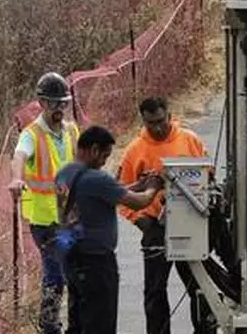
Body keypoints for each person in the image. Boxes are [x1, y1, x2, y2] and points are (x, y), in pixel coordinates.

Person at [117, 96, 216, 334]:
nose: (158, 128)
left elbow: (209, 177)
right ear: (144, 121)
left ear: (169, 116)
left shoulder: (189, 140)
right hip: (155, 227)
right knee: (155, 292)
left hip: (190, 223)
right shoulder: (134, 151)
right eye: (151, 123)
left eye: (161, 121)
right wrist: (140, 220)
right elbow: (121, 194)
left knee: (200, 287)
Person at [56, 125, 163, 334]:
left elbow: (105, 193)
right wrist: (154, 187)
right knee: (101, 323)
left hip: (72, 257)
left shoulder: (65, 173)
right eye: (104, 156)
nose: (104, 162)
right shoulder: (97, 178)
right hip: (96, 263)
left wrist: (139, 184)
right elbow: (139, 203)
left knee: (78, 321)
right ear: (94, 150)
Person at [9, 71, 81, 334]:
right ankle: (49, 327)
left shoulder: (72, 130)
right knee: (55, 276)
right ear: (41, 103)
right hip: (45, 222)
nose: (59, 109)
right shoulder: (32, 134)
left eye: (63, 104)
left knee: (77, 275)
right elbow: (19, 156)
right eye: (54, 104)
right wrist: (17, 179)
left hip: (70, 218)